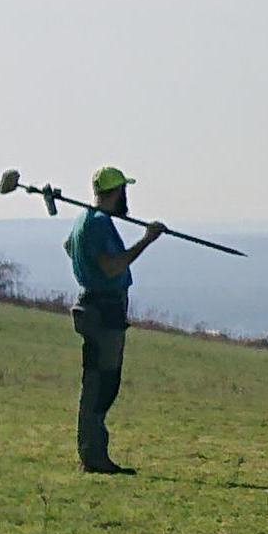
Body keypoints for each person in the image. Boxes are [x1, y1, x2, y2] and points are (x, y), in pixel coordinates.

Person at [64, 166, 169, 474]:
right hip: (104, 310)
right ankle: (94, 456)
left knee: (96, 381)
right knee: (102, 383)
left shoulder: (85, 218)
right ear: (117, 192)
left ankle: (93, 452)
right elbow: (112, 266)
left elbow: (69, 246)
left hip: (91, 306)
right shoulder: (98, 223)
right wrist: (147, 240)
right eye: (124, 191)